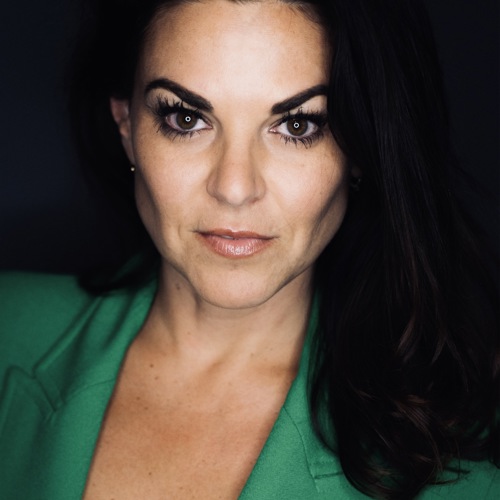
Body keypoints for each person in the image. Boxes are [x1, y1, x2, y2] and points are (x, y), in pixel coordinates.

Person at [0, 0, 498, 498]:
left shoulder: (467, 465)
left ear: (361, 147)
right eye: (186, 119)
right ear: (127, 125)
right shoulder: (9, 332)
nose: (235, 188)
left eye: (298, 125)